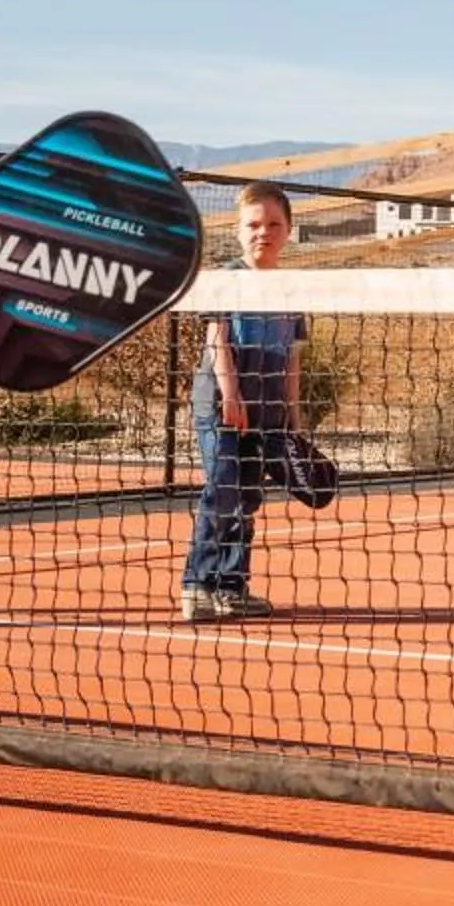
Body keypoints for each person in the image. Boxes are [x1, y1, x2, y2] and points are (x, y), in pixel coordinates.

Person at [181, 183, 307, 621]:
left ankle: (231, 588)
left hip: (267, 412)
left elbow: (293, 357)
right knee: (223, 488)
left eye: (273, 224)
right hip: (220, 405)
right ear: (238, 231)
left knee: (248, 496)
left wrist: (293, 416)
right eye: (253, 225)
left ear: (288, 230)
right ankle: (197, 586)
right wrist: (231, 394)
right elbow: (217, 340)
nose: (263, 232)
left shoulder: (292, 290)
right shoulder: (226, 279)